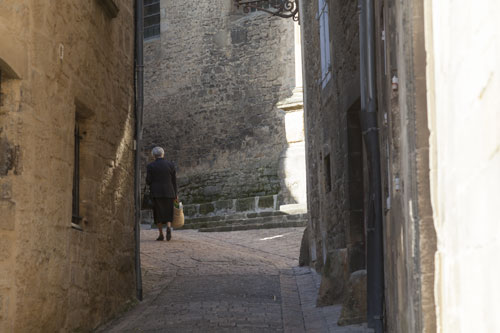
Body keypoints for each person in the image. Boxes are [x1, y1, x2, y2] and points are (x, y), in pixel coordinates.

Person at [146, 146, 177, 241]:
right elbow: (174, 181)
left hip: (156, 193)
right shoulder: (171, 165)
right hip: (169, 191)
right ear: (163, 154)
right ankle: (168, 226)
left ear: (153, 156)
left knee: (158, 214)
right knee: (168, 212)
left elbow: (148, 181)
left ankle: (161, 234)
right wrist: (176, 194)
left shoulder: (151, 166)